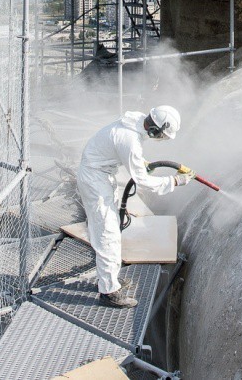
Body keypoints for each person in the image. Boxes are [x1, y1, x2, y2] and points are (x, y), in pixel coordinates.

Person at [76, 105, 189, 307]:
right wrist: (174, 182)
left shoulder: (136, 122)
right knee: (107, 234)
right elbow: (142, 180)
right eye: (161, 135)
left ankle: (108, 278)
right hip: (95, 179)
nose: (159, 138)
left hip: (100, 175)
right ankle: (109, 292)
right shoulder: (129, 140)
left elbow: (127, 155)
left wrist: (141, 162)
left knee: (107, 230)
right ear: (154, 129)